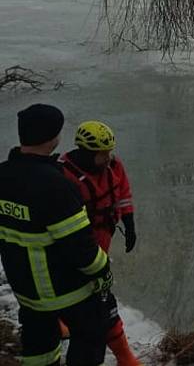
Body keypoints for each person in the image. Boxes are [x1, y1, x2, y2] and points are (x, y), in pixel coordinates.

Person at [0, 104, 114, 366]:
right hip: (66, 289)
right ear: (54, 137)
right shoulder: (56, 185)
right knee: (90, 338)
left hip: (25, 290)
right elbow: (81, 249)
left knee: (39, 346)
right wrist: (104, 271)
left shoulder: (2, 176)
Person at [59, 121, 140, 366]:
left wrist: (129, 223)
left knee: (94, 292)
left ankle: (65, 318)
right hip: (76, 245)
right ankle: (122, 355)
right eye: (102, 154)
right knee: (93, 296)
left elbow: (123, 194)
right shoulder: (64, 176)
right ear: (86, 152)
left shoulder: (114, 167)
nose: (108, 158)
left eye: (109, 152)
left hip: (103, 237)